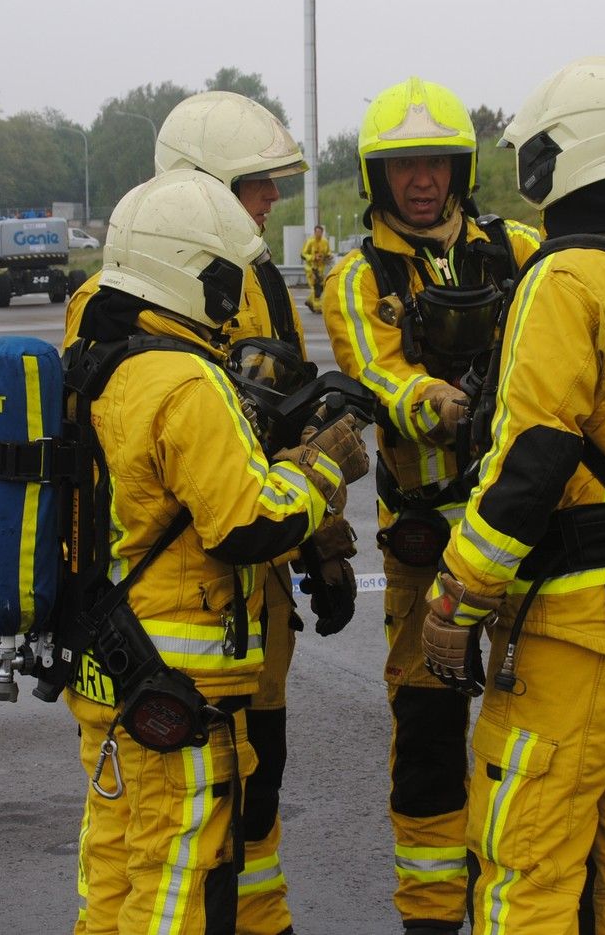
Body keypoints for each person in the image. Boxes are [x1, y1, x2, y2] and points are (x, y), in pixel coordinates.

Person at [420, 57, 605, 933]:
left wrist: (457, 595)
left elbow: (533, 460)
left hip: (579, 634)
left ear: (561, 157)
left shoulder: (568, 277)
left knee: (527, 869)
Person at [68, 91, 352, 935]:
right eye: (256, 185)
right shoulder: (168, 348)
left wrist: (323, 554)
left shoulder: (120, 323)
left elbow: (288, 414)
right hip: (192, 618)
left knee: (180, 815)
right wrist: (322, 484)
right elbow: (247, 494)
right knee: (181, 841)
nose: (268, 204)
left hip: (162, 617)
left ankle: (260, 919)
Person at [321, 77, 540, 934]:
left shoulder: (522, 244)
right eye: (404, 165)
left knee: (536, 726)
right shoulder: (355, 276)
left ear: (462, 167)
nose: (423, 180)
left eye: (437, 163)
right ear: (379, 176)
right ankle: (431, 912)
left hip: (529, 533)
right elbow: (382, 376)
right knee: (427, 730)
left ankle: (525, 891)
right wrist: (444, 405)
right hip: (426, 540)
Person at [301, 224, 332, 314]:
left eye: (320, 232)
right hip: (311, 268)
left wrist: (328, 255)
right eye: (317, 232)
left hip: (321, 269)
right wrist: (313, 257)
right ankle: (317, 307)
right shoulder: (310, 242)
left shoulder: (325, 242)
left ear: (322, 232)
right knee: (315, 287)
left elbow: (328, 252)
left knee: (321, 287)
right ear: (314, 232)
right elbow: (303, 254)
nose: (318, 233)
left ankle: (309, 301)